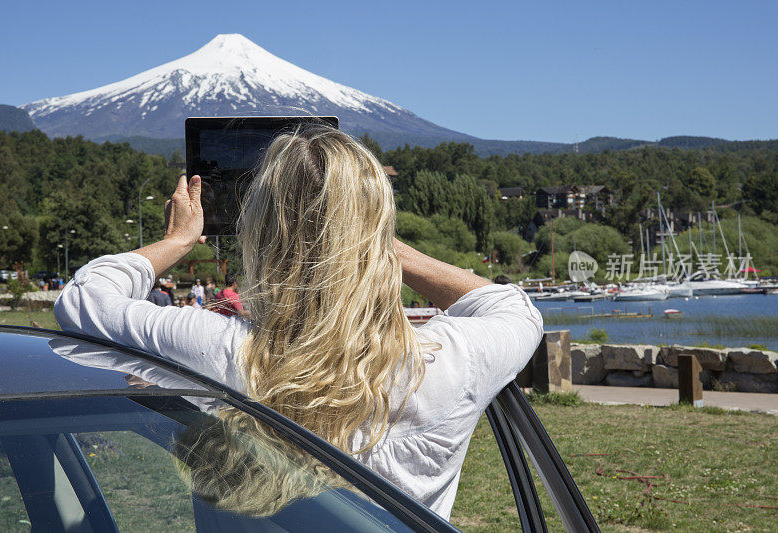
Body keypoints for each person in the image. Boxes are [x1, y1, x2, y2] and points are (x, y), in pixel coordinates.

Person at [53, 126, 543, 520]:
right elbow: (513, 308)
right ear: (377, 230)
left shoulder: (217, 346)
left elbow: (84, 300)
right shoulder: (450, 361)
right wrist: (376, 242)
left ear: (259, 231)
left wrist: (178, 241)